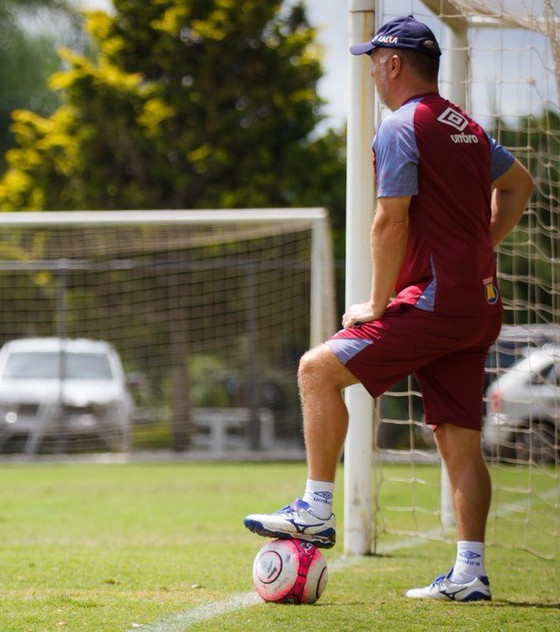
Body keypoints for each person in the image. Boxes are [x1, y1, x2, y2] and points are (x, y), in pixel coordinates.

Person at [243, 15, 534, 602]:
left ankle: (317, 509)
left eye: (373, 59)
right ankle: (469, 574)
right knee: (458, 438)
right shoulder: (467, 127)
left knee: (316, 370)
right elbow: (520, 184)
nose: (371, 71)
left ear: (394, 63)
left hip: (433, 302)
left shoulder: (401, 125)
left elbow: (389, 218)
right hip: (479, 303)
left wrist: (375, 305)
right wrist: (478, 249)